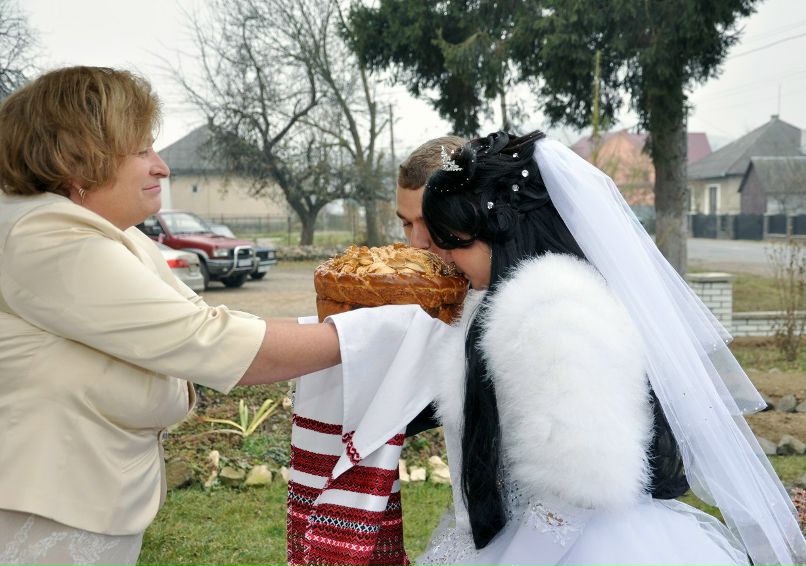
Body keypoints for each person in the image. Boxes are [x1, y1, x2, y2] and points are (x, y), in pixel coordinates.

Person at [0, 66, 345, 566]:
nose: (162, 167)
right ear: (76, 159)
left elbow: (208, 315)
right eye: (141, 150)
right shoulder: (48, 237)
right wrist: (366, 334)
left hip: (86, 502)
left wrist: (344, 320)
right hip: (49, 515)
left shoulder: (101, 232)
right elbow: (209, 340)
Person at [411, 131, 806, 565]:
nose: (442, 258)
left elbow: (577, 490)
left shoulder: (556, 314)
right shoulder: (500, 303)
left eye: (455, 242)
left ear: (507, 230)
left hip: (571, 545)